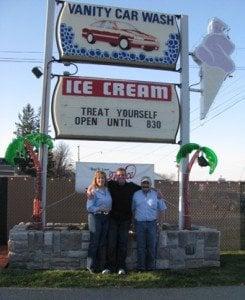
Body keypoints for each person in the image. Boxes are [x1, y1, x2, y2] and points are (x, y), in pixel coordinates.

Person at [105, 167, 141, 275]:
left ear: (126, 176)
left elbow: (145, 188)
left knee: (123, 244)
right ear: (116, 176)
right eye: (119, 175)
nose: (121, 177)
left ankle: (121, 267)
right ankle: (110, 267)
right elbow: (97, 184)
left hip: (125, 221)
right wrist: (89, 190)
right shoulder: (110, 184)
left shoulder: (131, 186)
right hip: (112, 219)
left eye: (123, 175)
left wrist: (156, 191)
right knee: (111, 244)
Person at [132, 176, 167, 271]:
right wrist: (133, 224)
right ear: (141, 184)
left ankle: (151, 267)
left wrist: (160, 224)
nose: (145, 185)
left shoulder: (156, 195)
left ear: (150, 185)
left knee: (152, 246)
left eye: (147, 183)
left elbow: (162, 209)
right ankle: (141, 268)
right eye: (144, 183)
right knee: (141, 246)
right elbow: (133, 210)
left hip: (152, 224)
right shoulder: (136, 194)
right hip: (139, 224)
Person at [86, 170, 112, 274]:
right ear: (96, 180)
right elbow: (89, 207)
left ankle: (102, 267)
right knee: (95, 241)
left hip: (106, 217)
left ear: (105, 180)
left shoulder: (107, 190)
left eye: (102, 178)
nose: (101, 180)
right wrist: (99, 208)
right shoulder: (93, 191)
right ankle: (91, 266)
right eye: (99, 178)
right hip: (95, 217)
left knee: (103, 243)